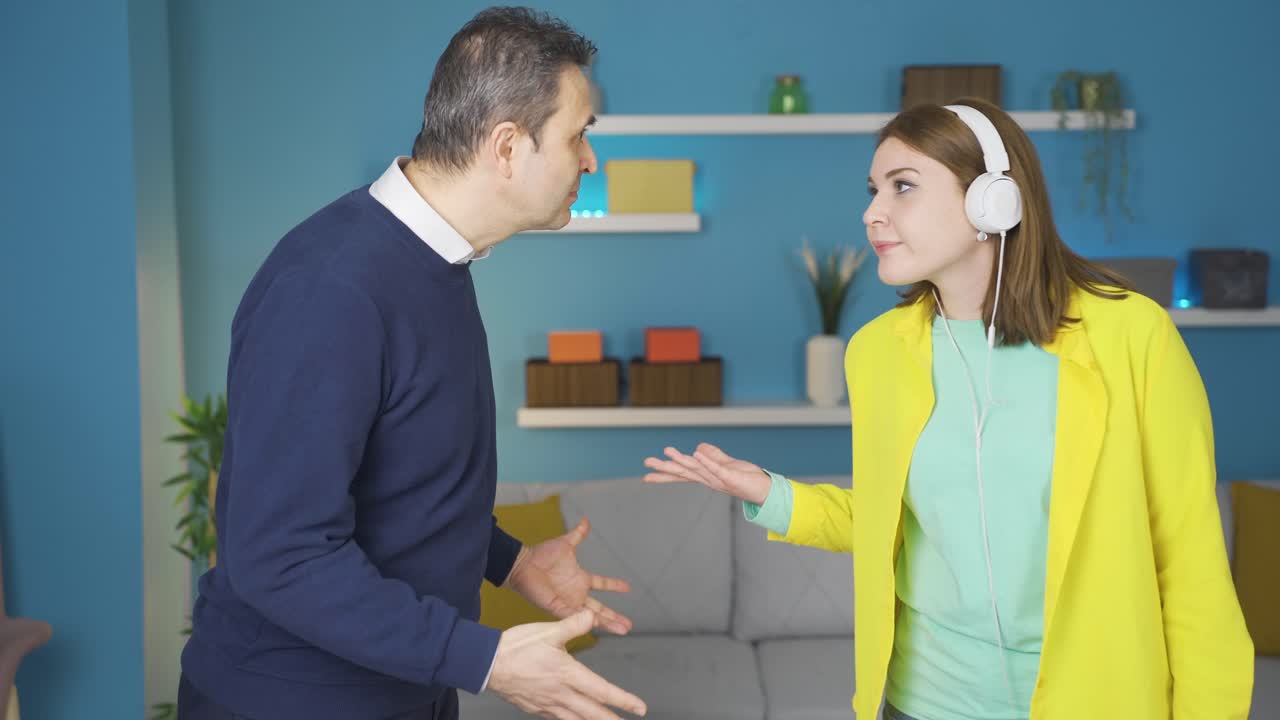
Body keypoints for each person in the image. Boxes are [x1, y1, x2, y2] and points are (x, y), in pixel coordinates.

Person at [644, 98, 1254, 719]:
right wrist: (770, 492)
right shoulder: (879, 353)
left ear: (994, 199)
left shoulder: (1131, 335)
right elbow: (899, 523)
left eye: (903, 187)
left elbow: (1190, 562)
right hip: (923, 703)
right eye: (874, 189)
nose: (872, 213)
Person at [178, 7, 648, 720]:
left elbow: (400, 481)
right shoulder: (330, 287)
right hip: (292, 700)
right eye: (580, 135)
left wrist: (512, 562)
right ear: (508, 147)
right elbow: (282, 554)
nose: (590, 160)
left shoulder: (435, 262)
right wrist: (484, 658)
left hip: (400, 688)